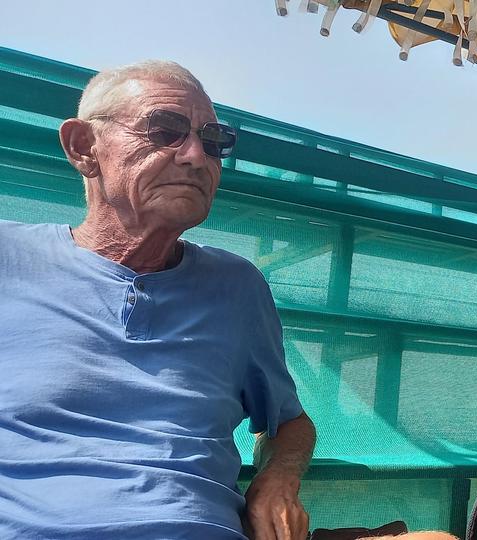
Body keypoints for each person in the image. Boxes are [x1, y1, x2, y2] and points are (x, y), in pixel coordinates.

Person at [0, 60, 321, 539]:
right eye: (164, 130)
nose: (196, 155)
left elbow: (289, 424)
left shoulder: (237, 287)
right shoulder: (9, 258)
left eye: (213, 141)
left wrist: (278, 479)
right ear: (84, 147)